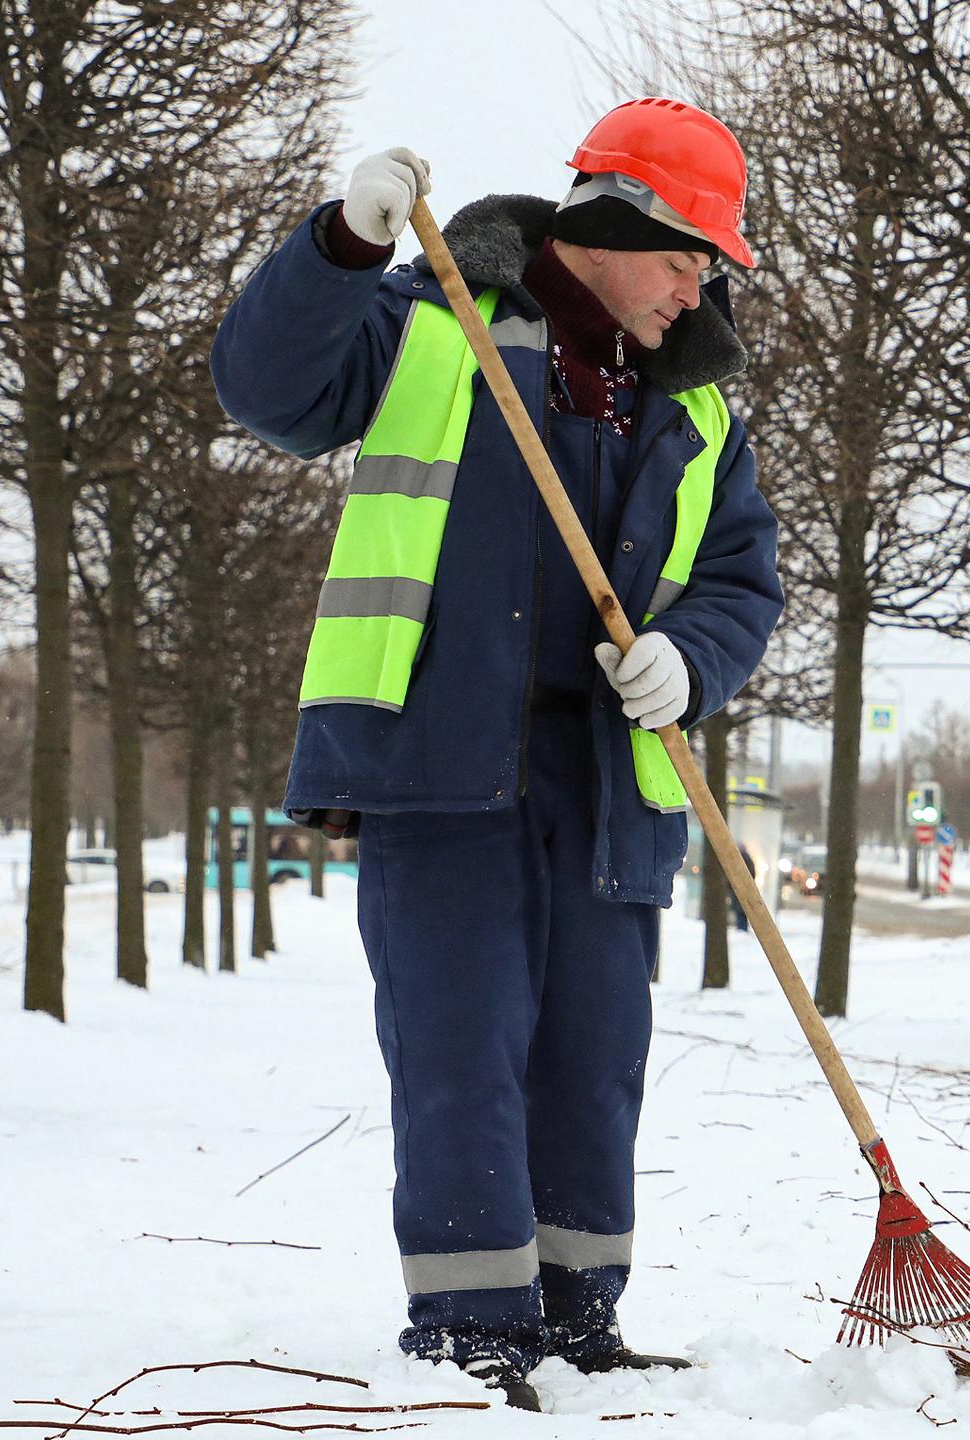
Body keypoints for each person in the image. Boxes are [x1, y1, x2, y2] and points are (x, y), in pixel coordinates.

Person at [212, 99, 783, 1409]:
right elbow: (272, 392)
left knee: (593, 1057)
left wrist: (691, 656)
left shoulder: (693, 409)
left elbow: (744, 578)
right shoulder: (434, 322)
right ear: (616, 223)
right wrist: (341, 249)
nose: (700, 284)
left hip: (607, 788)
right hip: (442, 762)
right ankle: (471, 1325)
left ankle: (582, 1316)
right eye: (689, 253)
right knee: (464, 1048)